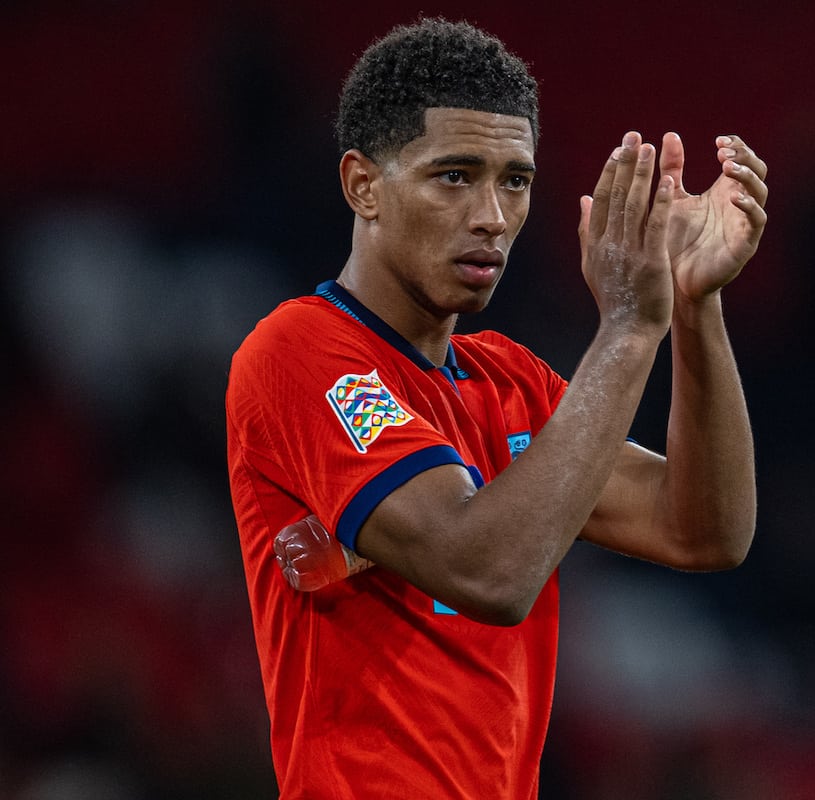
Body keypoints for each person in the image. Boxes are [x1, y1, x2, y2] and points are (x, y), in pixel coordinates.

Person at [225, 16, 767, 799]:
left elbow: (706, 529)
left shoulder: (508, 380)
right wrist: (626, 326)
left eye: (514, 180)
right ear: (362, 184)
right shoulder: (299, 353)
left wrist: (690, 305)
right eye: (455, 175)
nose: (491, 217)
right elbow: (488, 571)